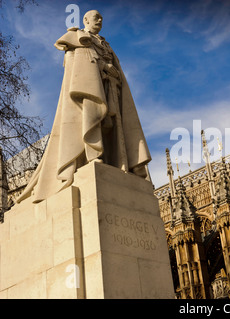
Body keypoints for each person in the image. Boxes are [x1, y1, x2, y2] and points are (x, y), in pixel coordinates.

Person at [17, 10, 152, 203]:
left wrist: (112, 74)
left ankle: (117, 163)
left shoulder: (106, 44)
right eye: (95, 17)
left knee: (113, 128)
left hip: (112, 90)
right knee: (91, 118)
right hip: (92, 89)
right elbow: (75, 65)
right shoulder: (79, 37)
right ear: (85, 20)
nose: (100, 20)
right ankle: (93, 156)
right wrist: (103, 67)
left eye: (101, 18)